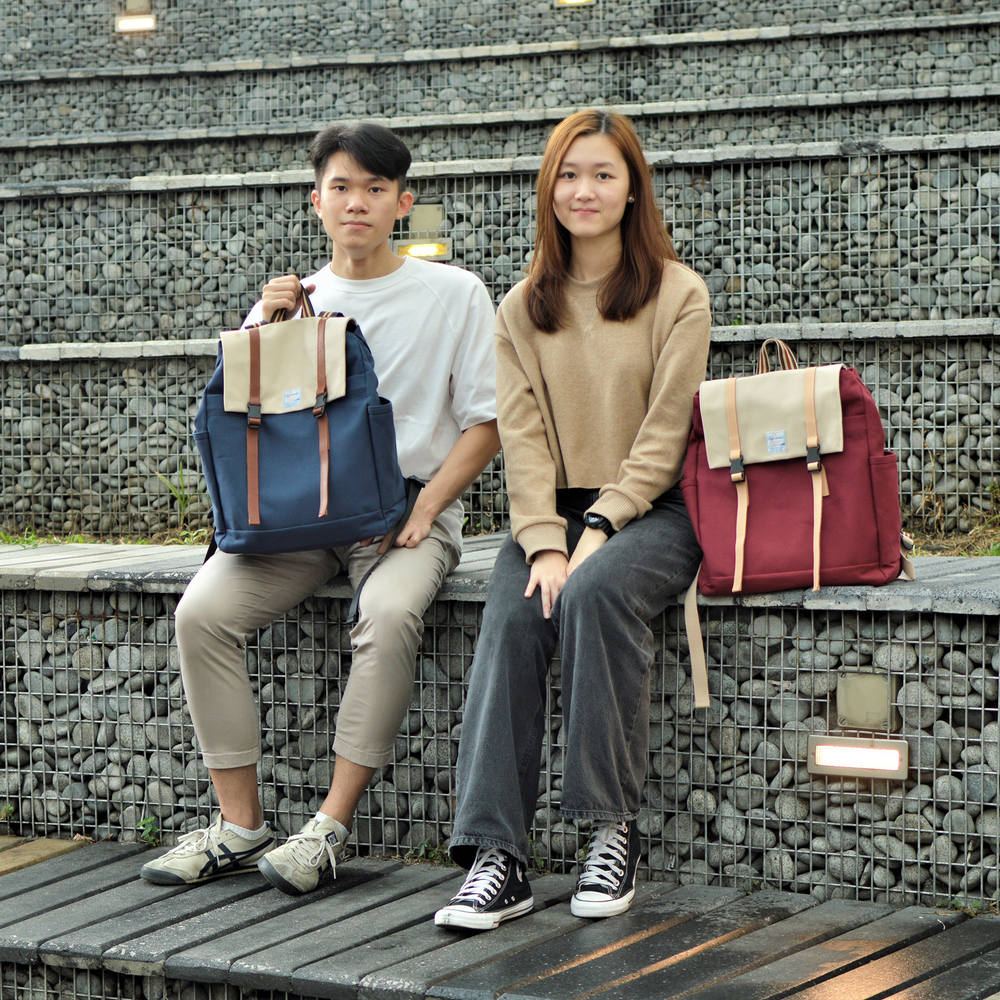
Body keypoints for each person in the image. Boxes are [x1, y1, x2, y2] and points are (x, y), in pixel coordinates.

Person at [140, 121, 499, 895]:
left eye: (375, 189)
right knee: (201, 614)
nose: (357, 203)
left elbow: (487, 421)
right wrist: (267, 329)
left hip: (407, 510)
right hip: (303, 518)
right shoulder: (289, 301)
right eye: (341, 187)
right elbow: (246, 429)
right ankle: (239, 825)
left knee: (391, 613)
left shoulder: (455, 293)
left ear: (403, 202)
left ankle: (327, 829)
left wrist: (427, 508)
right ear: (316, 201)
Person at [434, 110, 711, 931]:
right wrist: (544, 542)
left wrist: (594, 533)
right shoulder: (524, 307)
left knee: (592, 594)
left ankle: (608, 830)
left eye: (602, 174)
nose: (583, 190)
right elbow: (521, 443)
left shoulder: (676, 292)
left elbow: (666, 436)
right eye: (568, 175)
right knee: (514, 612)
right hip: (551, 513)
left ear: (632, 190)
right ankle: (499, 858)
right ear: (548, 190)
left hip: (656, 509)